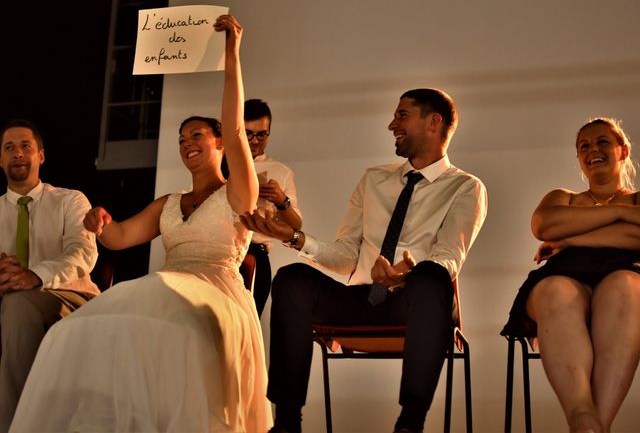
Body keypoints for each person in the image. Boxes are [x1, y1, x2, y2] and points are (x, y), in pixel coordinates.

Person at [9, 15, 272, 432]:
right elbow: (120, 237)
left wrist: (231, 55)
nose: (187, 144)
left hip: (215, 289)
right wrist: (99, 221)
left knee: (174, 325)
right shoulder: (168, 202)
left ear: (220, 143)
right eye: (182, 140)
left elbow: (238, 127)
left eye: (197, 135)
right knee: (86, 325)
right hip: (166, 284)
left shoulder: (239, 193)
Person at [241, 88, 487, 433]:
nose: (391, 124)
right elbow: (344, 256)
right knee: (292, 277)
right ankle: (286, 424)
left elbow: (449, 257)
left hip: (416, 302)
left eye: (402, 115)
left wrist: (407, 273)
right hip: (361, 299)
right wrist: (292, 237)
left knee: (432, 277)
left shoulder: (465, 187)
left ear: (434, 123)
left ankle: (409, 423)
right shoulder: (374, 179)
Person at [502, 117, 640, 433]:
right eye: (584, 146)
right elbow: (544, 226)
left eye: (603, 141)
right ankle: (583, 417)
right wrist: (620, 216)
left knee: (624, 285)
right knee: (555, 290)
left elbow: (637, 240)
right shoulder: (562, 196)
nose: (593, 149)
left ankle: (592, 427)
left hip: (624, 278)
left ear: (623, 150)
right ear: (579, 158)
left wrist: (570, 238)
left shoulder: (637, 198)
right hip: (563, 275)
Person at [0, 119, 99, 432]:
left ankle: (16, 426)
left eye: (25, 146)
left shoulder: (70, 200)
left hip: (68, 296)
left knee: (18, 304)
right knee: (15, 301)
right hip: (10, 297)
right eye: (9, 148)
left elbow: (82, 253)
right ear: (0, 160)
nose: (18, 153)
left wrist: (34, 276)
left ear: (40, 156)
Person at [244, 98, 302, 317]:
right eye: (248, 133)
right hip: (216, 253)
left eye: (262, 134)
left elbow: (297, 224)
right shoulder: (219, 164)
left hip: (255, 255)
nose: (255, 140)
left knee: (247, 328)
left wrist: (282, 201)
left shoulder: (281, 171)